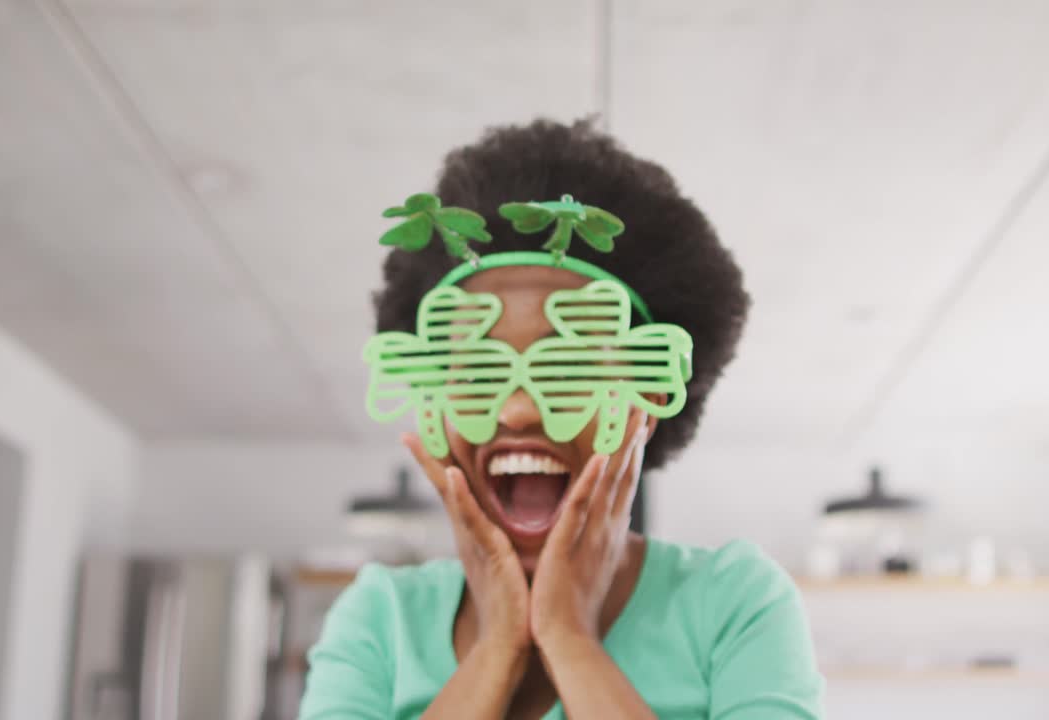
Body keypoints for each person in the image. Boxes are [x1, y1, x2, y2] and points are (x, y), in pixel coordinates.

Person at [300, 118, 824, 719]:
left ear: (649, 399)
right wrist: (497, 649)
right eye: (478, 373)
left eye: (568, 369)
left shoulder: (734, 603)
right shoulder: (380, 620)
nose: (519, 408)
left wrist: (570, 640)